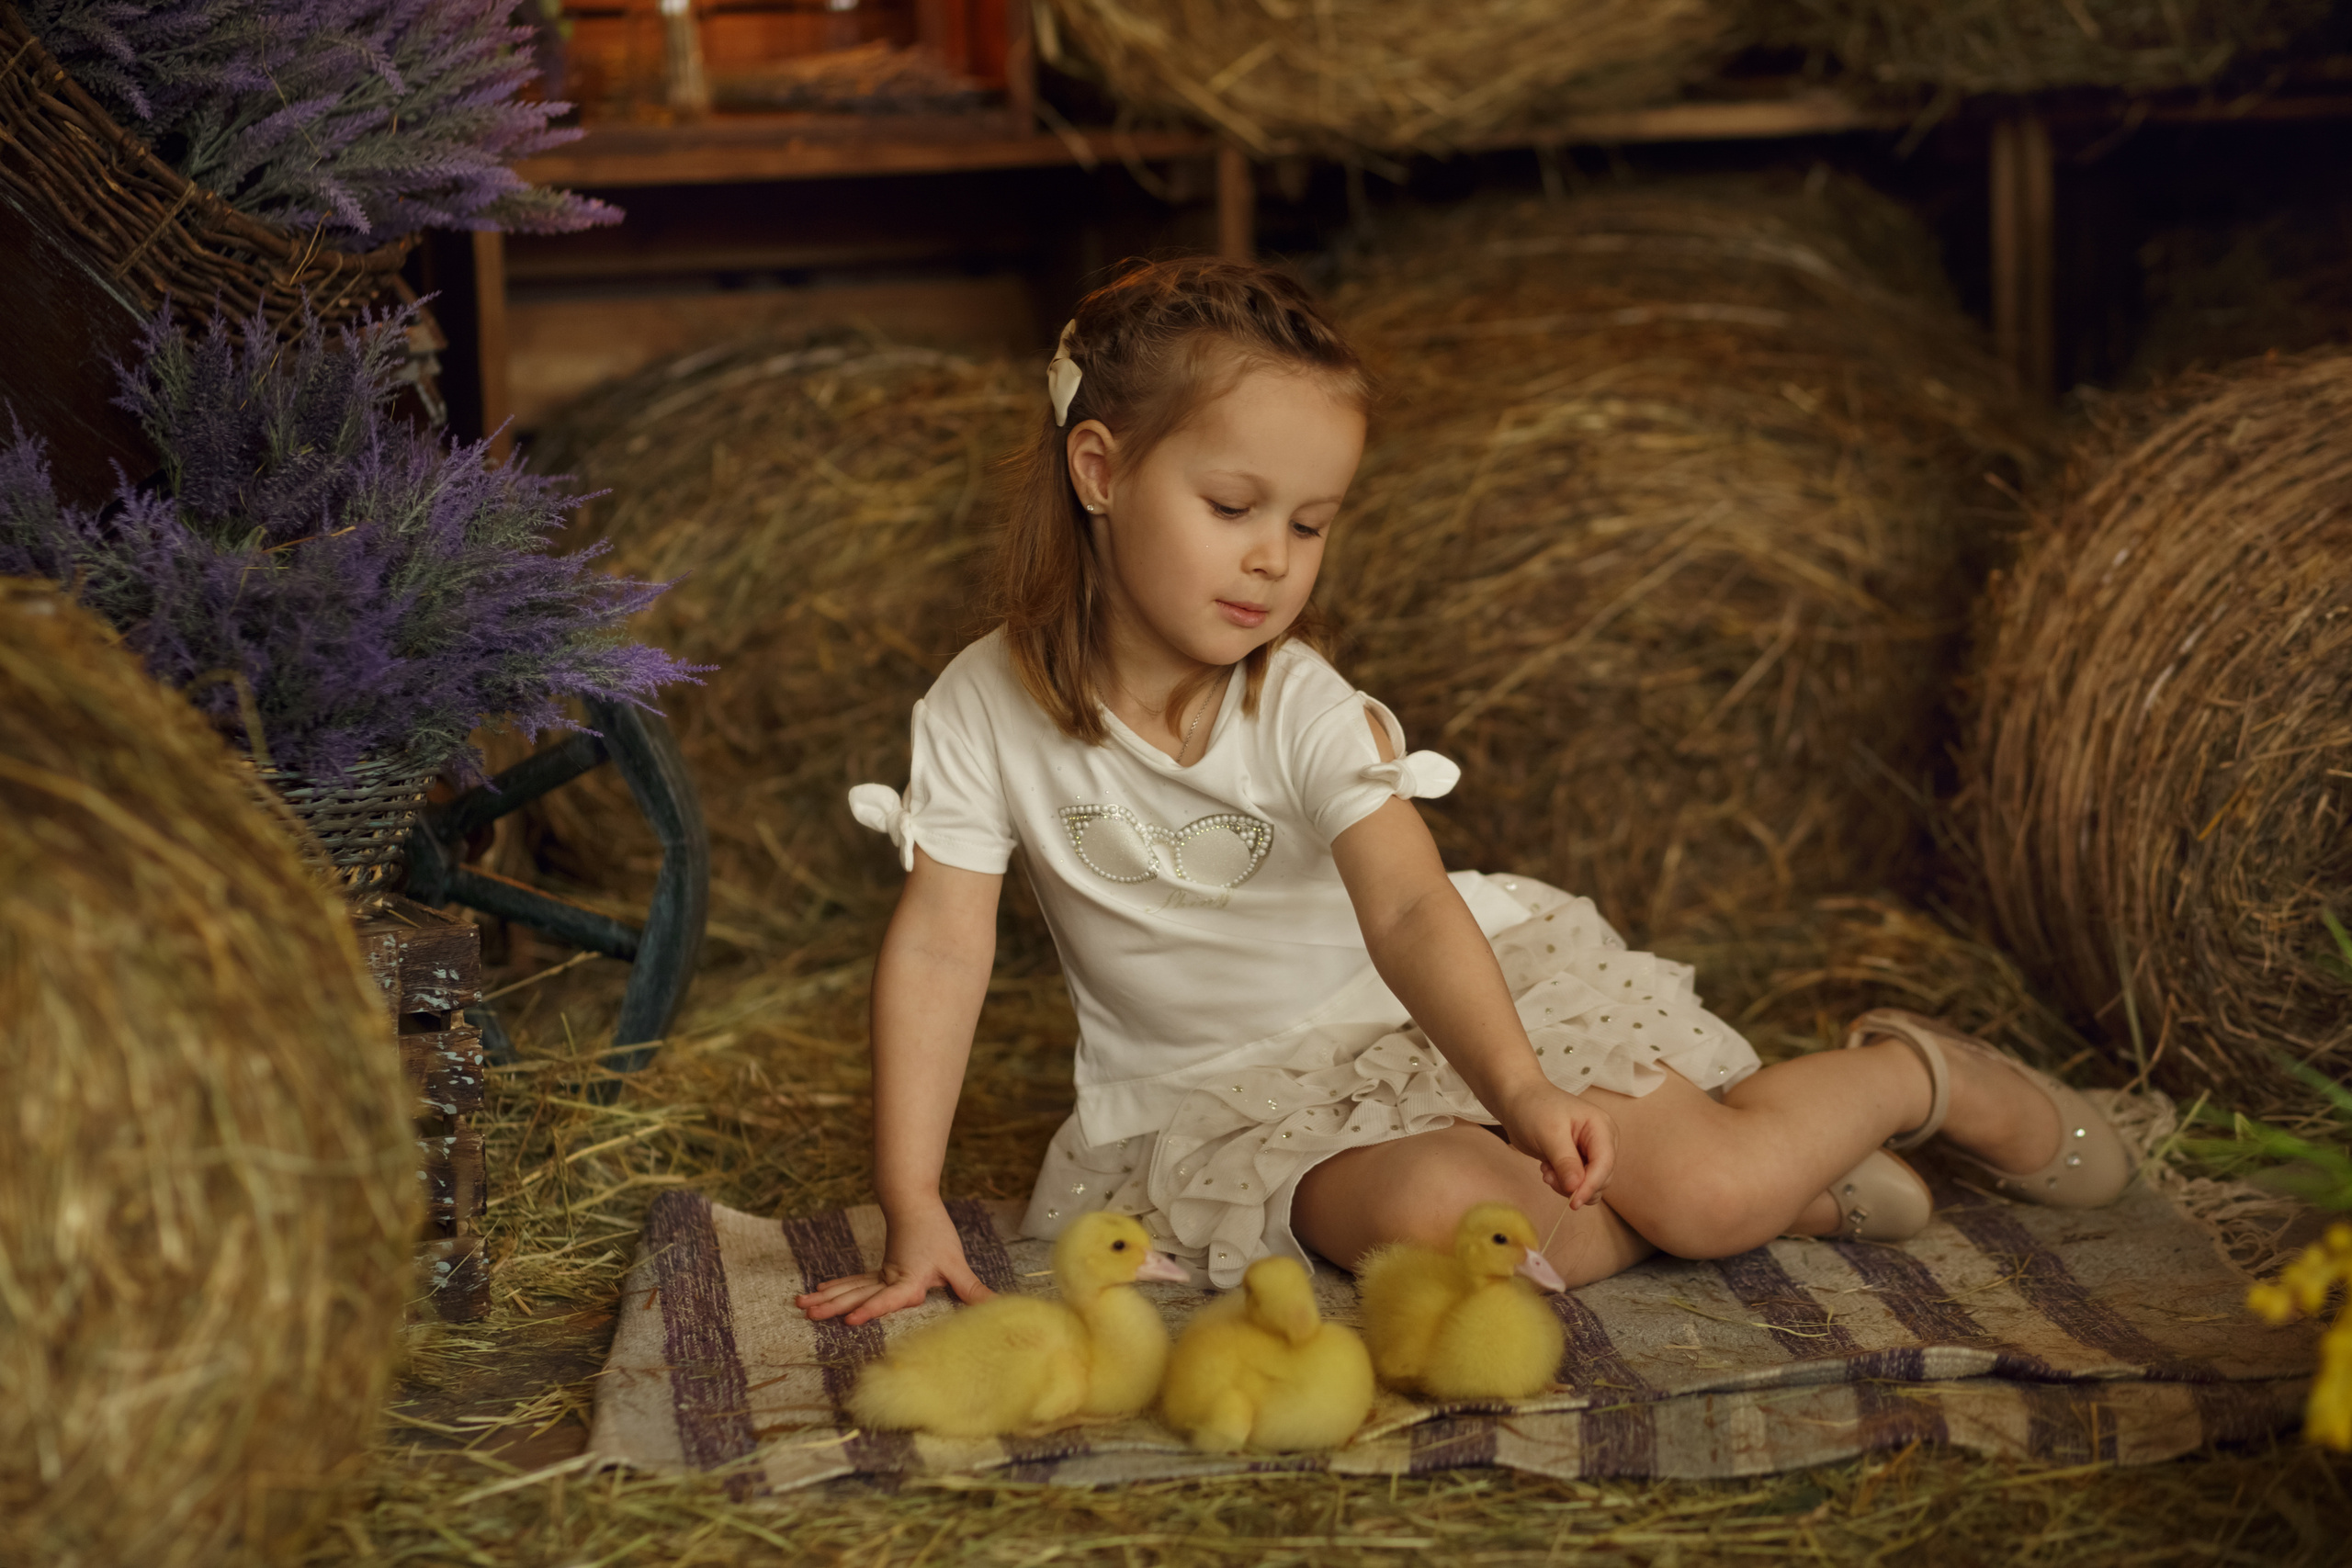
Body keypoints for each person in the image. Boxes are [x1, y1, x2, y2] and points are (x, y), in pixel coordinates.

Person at [794, 256, 2129, 1327]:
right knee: (1458, 1222)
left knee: (1707, 1195)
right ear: (1099, 472)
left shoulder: (1300, 704)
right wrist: (910, 1198)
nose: (1273, 561)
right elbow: (942, 946)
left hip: (1448, 1011)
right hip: (1229, 1097)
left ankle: (1908, 1077)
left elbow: (1415, 916)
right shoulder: (980, 704)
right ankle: (1801, 1200)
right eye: (1234, 506)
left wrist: (1524, 1085)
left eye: (1310, 525)